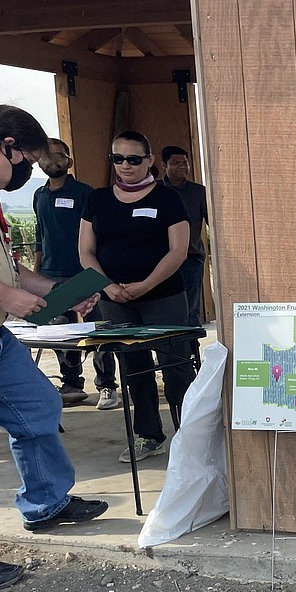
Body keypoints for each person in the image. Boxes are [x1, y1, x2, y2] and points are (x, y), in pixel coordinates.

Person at [0, 104, 108, 590]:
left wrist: (63, 291)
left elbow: (10, 270)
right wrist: (7, 297)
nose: (26, 174)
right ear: (6, 146)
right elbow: (2, 285)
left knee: (38, 405)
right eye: (26, 163)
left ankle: (46, 504)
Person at [79, 131, 195, 464]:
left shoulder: (168, 198)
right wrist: (106, 285)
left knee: (176, 366)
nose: (125, 166)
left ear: (149, 161)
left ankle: (191, 436)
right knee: (133, 366)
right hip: (114, 298)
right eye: (118, 158)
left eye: (133, 159)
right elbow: (86, 251)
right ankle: (148, 435)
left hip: (164, 296)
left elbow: (178, 250)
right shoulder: (97, 199)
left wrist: (146, 284)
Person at [33, 138, 120, 410]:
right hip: (51, 274)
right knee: (60, 333)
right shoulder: (39, 195)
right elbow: (40, 234)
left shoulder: (84, 193)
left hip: (84, 273)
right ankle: (72, 383)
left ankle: (107, 385)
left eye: (59, 156)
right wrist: (36, 270)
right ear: (39, 161)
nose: (53, 161)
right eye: (47, 156)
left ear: (69, 162)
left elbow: (100, 232)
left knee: (98, 330)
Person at [158, 145, 209, 334]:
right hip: (159, 261)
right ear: (164, 165)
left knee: (191, 308)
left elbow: (212, 221)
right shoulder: (155, 190)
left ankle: (192, 351)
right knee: (163, 308)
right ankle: (169, 350)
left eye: (185, 163)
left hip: (191, 258)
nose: (182, 166)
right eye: (176, 163)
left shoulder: (198, 192)